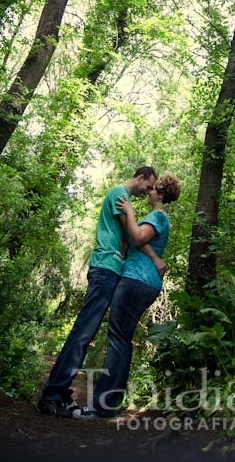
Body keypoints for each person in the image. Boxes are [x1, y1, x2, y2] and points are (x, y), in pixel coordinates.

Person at [37, 165, 163, 418]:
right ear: (140, 178)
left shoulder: (125, 199)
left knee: (86, 332)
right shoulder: (120, 194)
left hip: (112, 269)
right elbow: (132, 234)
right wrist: (153, 255)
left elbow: (129, 239)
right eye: (148, 186)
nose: (149, 191)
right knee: (83, 332)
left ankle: (60, 393)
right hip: (105, 268)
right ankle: (52, 395)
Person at [72, 171, 182, 421]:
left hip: (136, 280)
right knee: (121, 338)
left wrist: (130, 213)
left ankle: (102, 405)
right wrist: (153, 255)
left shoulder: (157, 216)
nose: (149, 191)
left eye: (153, 189)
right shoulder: (156, 217)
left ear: (160, 193)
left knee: (118, 340)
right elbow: (141, 243)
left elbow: (138, 236)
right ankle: (108, 403)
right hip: (140, 280)